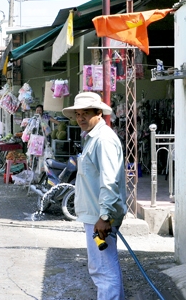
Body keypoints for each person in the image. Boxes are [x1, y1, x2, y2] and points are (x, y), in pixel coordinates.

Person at [62, 92, 127, 300]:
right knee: (103, 268)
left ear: (98, 113)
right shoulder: (93, 138)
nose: (80, 118)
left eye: (85, 113)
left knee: (103, 271)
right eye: (78, 114)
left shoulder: (103, 140)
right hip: (95, 215)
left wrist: (105, 217)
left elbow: (109, 181)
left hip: (100, 217)